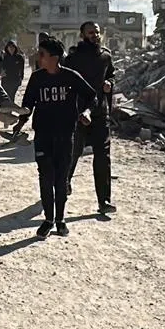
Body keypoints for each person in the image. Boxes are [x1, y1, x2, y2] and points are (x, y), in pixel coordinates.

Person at [22, 37, 99, 238]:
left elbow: (92, 97)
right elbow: (28, 104)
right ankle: (48, 219)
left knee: (61, 179)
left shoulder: (71, 77)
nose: (38, 57)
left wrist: (87, 113)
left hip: (65, 135)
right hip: (43, 135)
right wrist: (17, 119)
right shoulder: (36, 78)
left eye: (42, 54)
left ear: (54, 58)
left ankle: (60, 219)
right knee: (45, 177)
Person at [64, 21, 117, 214]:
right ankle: (65, 181)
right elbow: (64, 80)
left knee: (103, 156)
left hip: (100, 112)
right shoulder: (73, 58)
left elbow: (111, 75)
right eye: (90, 32)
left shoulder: (105, 56)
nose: (94, 35)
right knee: (74, 151)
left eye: (96, 31)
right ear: (82, 35)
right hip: (78, 112)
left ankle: (104, 201)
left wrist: (109, 83)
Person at [1, 32, 50, 143]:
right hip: (38, 83)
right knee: (27, 106)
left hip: (49, 85)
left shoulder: (53, 51)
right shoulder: (39, 53)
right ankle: (17, 129)